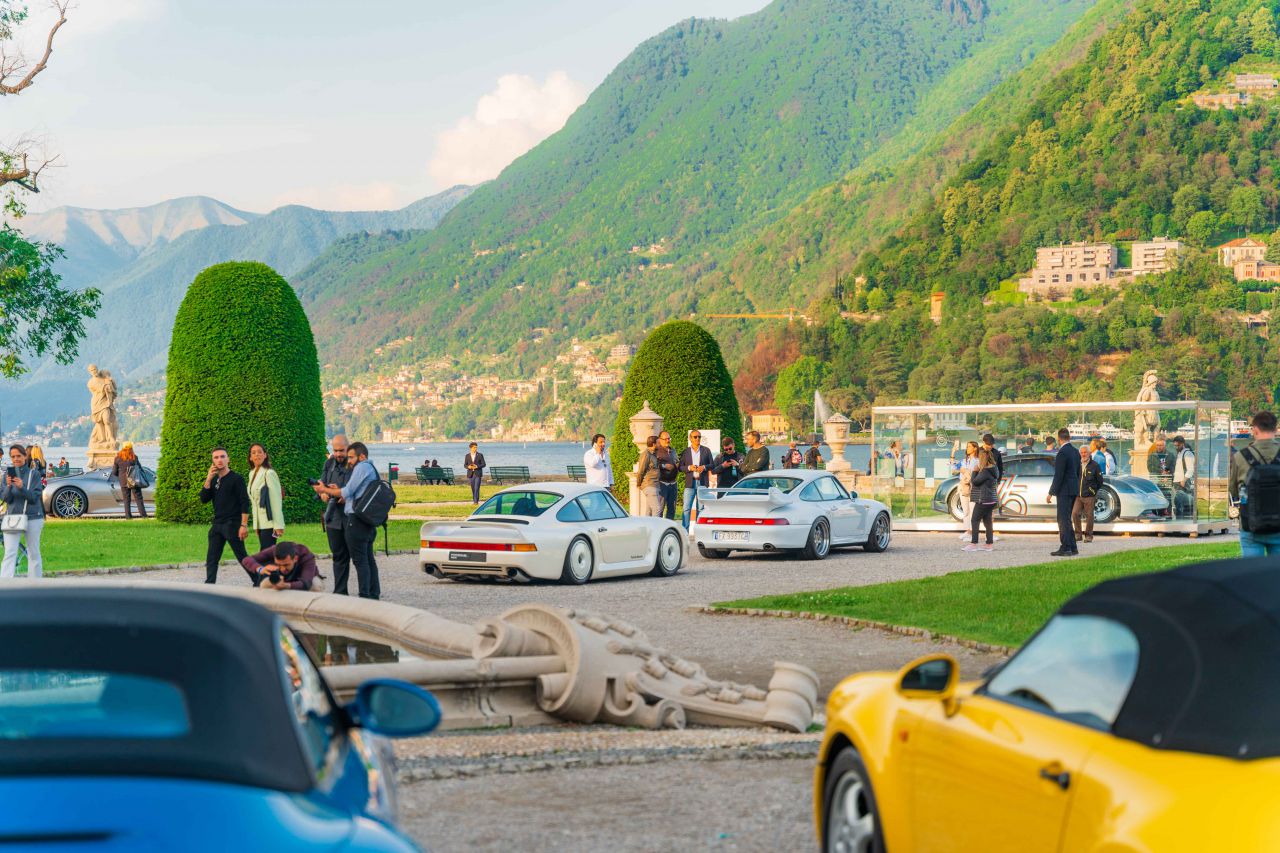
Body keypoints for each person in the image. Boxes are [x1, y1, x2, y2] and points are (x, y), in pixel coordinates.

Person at [317, 441, 381, 599]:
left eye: (351, 457)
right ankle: (373, 594)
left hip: (356, 520)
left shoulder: (362, 467)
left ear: (362, 456)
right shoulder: (370, 467)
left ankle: (365, 596)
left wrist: (324, 489)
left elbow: (347, 491)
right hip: (366, 519)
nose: (349, 460)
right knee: (367, 558)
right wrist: (333, 490)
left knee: (360, 560)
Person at [198, 447, 252, 585]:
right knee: (212, 558)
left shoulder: (236, 479)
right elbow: (203, 499)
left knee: (241, 556)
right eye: (216, 457)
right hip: (217, 524)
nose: (219, 460)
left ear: (228, 459)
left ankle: (258, 580)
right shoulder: (214, 480)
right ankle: (210, 584)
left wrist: (243, 525)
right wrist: (208, 478)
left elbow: (244, 502)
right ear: (213, 461)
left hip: (232, 524)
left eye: (222, 456)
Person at [1230, 411, 1280, 557]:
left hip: (1250, 524)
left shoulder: (1240, 456)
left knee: (1251, 568)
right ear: (1276, 429)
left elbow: (1233, 490)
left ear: (1255, 430)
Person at [1, 444, 45, 578]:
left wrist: (22, 487)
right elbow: (5, 498)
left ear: (25, 456)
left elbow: (34, 498)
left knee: (33, 552)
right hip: (12, 518)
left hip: (33, 517)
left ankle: (35, 583)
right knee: (9, 552)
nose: (16, 459)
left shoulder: (34, 474)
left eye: (19, 456)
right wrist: (9, 486)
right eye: (13, 456)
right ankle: (5, 584)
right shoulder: (7, 475)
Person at [320, 434, 352, 595]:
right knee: (338, 557)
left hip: (351, 517)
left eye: (341, 450)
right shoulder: (329, 463)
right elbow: (322, 485)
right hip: (333, 518)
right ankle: (340, 592)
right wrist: (323, 494)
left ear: (348, 448)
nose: (338, 454)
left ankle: (368, 593)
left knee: (360, 558)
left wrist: (345, 496)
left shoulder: (354, 464)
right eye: (335, 450)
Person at [1047, 427, 1081, 556]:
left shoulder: (1062, 453)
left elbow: (1059, 475)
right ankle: (1072, 547)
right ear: (1069, 437)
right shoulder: (1075, 451)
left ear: (1059, 439)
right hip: (1073, 489)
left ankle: (1066, 547)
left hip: (1064, 490)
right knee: (1067, 518)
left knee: (1062, 519)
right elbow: (1078, 472)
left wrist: (1051, 492)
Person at [241, 540, 321, 591]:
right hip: (281, 578)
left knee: (316, 585)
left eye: (286, 565)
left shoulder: (306, 556)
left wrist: (287, 585)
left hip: (303, 578)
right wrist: (260, 569)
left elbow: (306, 583)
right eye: (278, 565)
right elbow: (246, 560)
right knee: (264, 585)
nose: (282, 568)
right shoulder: (274, 550)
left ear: (295, 558)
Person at [247, 443, 284, 550]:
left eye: (260, 452)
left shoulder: (269, 473)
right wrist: (256, 525)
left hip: (270, 523)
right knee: (266, 554)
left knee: (266, 554)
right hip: (260, 523)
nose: (257, 455)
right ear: (250, 457)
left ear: (265, 455)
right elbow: (254, 502)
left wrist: (278, 525)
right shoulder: (251, 473)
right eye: (253, 453)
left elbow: (276, 501)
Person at [963, 446, 998, 552]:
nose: (978, 460)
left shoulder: (985, 471)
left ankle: (973, 544)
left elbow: (975, 482)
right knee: (987, 521)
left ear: (982, 459)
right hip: (991, 499)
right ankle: (989, 544)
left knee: (975, 520)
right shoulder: (993, 469)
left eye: (979, 458)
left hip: (983, 499)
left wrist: (975, 471)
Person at [679, 429, 714, 530]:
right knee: (686, 508)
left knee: (701, 508)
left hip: (702, 483)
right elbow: (680, 467)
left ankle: (699, 530)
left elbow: (712, 465)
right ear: (690, 438)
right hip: (690, 483)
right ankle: (685, 531)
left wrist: (704, 467)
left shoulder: (706, 450)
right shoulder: (686, 452)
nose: (697, 438)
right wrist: (689, 467)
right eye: (695, 437)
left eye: (699, 437)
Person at [1073, 445, 1104, 544]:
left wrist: (1092, 491)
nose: (1083, 454)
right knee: (1075, 513)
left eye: (1085, 452)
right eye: (1081, 452)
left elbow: (1100, 481)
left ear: (1089, 453)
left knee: (1089, 516)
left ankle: (1089, 536)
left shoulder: (1095, 465)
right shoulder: (1077, 464)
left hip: (1089, 496)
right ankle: (1078, 535)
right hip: (1078, 495)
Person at [110, 442, 149, 519]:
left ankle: (128, 516)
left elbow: (114, 472)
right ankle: (144, 516)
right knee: (139, 498)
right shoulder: (134, 457)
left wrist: (120, 476)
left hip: (123, 482)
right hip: (134, 480)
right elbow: (140, 468)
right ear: (131, 448)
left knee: (126, 499)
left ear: (123, 448)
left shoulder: (117, 458)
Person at [955, 441, 979, 542]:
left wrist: (965, 471)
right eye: (967, 446)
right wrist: (953, 452)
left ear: (975, 448)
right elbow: (953, 467)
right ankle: (967, 531)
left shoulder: (978, 460)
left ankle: (973, 532)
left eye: (969, 446)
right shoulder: (964, 460)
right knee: (965, 510)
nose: (967, 448)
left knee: (973, 511)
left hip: (973, 487)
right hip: (964, 487)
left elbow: (975, 473)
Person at [1146, 436, 1175, 515]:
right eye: (1157, 445)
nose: (1159, 447)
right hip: (1155, 479)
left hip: (1166, 479)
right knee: (1155, 496)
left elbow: (1173, 467)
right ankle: (1156, 514)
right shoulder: (1152, 455)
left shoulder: (1170, 455)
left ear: (1164, 445)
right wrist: (1161, 471)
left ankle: (1168, 513)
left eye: (1161, 445)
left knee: (1167, 496)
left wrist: (1167, 473)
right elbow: (1150, 467)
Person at [654, 431, 680, 520]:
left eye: (669, 438)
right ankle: (658, 527)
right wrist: (664, 466)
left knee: (672, 509)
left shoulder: (673, 451)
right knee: (660, 509)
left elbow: (677, 461)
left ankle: (669, 526)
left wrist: (678, 464)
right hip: (662, 484)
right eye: (665, 439)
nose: (668, 441)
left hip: (673, 484)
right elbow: (652, 465)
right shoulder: (656, 451)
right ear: (659, 440)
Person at [635, 435, 662, 515]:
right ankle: (655, 524)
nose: (660, 444)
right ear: (653, 444)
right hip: (650, 484)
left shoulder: (654, 454)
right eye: (658, 443)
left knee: (649, 511)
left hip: (654, 485)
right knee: (657, 509)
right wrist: (638, 483)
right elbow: (641, 471)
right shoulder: (646, 454)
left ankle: (647, 523)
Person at [1171, 435, 1196, 519]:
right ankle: (1180, 519)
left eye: (1178, 445)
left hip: (1182, 482)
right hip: (1178, 482)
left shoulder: (1187, 453)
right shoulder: (1180, 453)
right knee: (1179, 503)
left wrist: (1184, 480)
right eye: (1175, 445)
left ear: (1183, 444)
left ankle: (1182, 520)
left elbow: (1191, 469)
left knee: (1180, 503)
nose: (1176, 447)